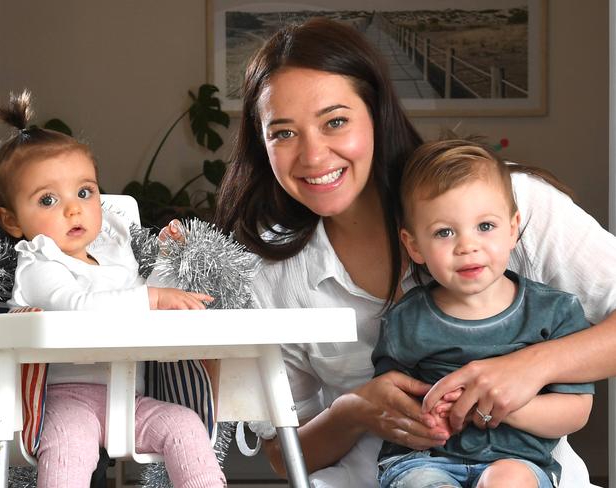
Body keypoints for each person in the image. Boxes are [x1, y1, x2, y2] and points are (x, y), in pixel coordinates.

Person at [213, 16, 616, 488]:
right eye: (283, 133)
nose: (314, 156)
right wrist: (354, 412)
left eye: (336, 121)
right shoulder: (270, 274)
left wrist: (529, 366)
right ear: (262, 146)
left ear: (377, 114)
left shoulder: (509, 201)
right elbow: (285, 457)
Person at [0, 91, 226, 488]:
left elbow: (146, 299)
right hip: (63, 400)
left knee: (185, 426)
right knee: (68, 446)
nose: (73, 209)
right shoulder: (38, 263)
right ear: (11, 221)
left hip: (128, 397)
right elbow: (77, 306)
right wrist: (149, 299)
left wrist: (165, 258)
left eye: (84, 192)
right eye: (47, 199)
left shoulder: (113, 252)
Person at [371, 139, 593, 488]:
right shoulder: (406, 319)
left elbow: (575, 412)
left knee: (509, 480)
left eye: (485, 226)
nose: (467, 245)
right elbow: (391, 399)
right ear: (414, 245)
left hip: (518, 462)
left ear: (513, 228)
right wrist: (428, 413)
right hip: (425, 460)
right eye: (444, 232)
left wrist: (500, 406)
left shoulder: (554, 312)